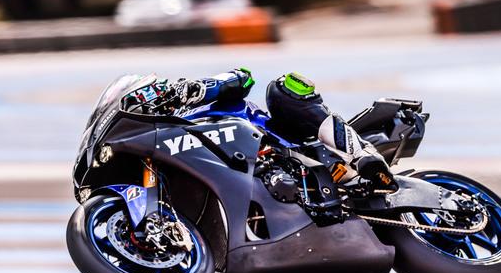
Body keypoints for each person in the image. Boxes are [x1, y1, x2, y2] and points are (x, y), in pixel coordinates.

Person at [122, 68, 393, 186]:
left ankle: (362, 154)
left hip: (279, 141)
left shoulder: (190, 105)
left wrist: (197, 88)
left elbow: (243, 77)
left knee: (286, 85)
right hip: (247, 179)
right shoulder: (163, 145)